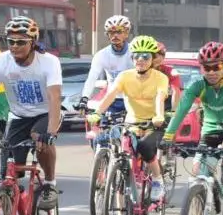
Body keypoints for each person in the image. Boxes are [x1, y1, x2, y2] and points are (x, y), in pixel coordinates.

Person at [0, 16, 63, 208]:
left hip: (45, 114)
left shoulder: (49, 62)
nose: (14, 46)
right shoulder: (0, 61)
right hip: (18, 117)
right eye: (11, 41)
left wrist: (50, 133)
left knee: (40, 138)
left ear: (33, 43)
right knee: (9, 173)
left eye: (21, 42)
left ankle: (50, 184)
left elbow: (54, 97)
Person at [162, 41, 223, 214]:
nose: (211, 72)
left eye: (216, 67)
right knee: (197, 175)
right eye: (206, 68)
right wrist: (168, 136)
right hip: (210, 130)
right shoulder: (197, 85)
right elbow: (180, 111)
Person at [89, 35, 170, 203]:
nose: (140, 59)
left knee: (145, 147)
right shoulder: (125, 76)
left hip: (153, 123)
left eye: (146, 56)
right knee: (122, 159)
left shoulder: (161, 78)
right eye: (136, 56)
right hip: (131, 122)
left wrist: (159, 115)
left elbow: (159, 98)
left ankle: (157, 180)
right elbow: (111, 95)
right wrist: (98, 112)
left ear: (153, 58)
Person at [78, 14, 133, 114]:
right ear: (107, 35)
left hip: (133, 100)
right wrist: (84, 99)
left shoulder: (134, 52)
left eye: (119, 32)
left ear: (126, 33)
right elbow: (91, 78)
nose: (115, 35)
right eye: (111, 32)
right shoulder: (101, 55)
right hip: (111, 100)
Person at [152, 41, 182, 111]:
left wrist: (174, 111)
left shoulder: (171, 71)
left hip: (165, 106)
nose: (158, 58)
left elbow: (176, 91)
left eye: (162, 55)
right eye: (154, 56)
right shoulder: (139, 71)